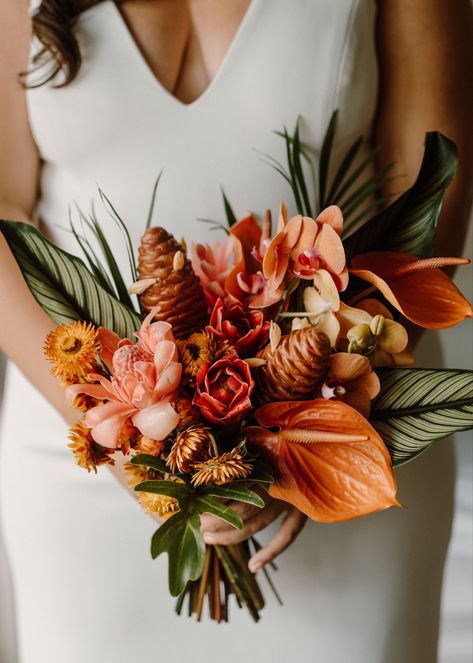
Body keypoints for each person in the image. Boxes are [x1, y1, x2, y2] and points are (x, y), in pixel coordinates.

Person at [0, 1, 472, 661]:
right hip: (85, 460)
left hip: (340, 438)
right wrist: (133, 440)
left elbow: (425, 175)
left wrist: (325, 431)